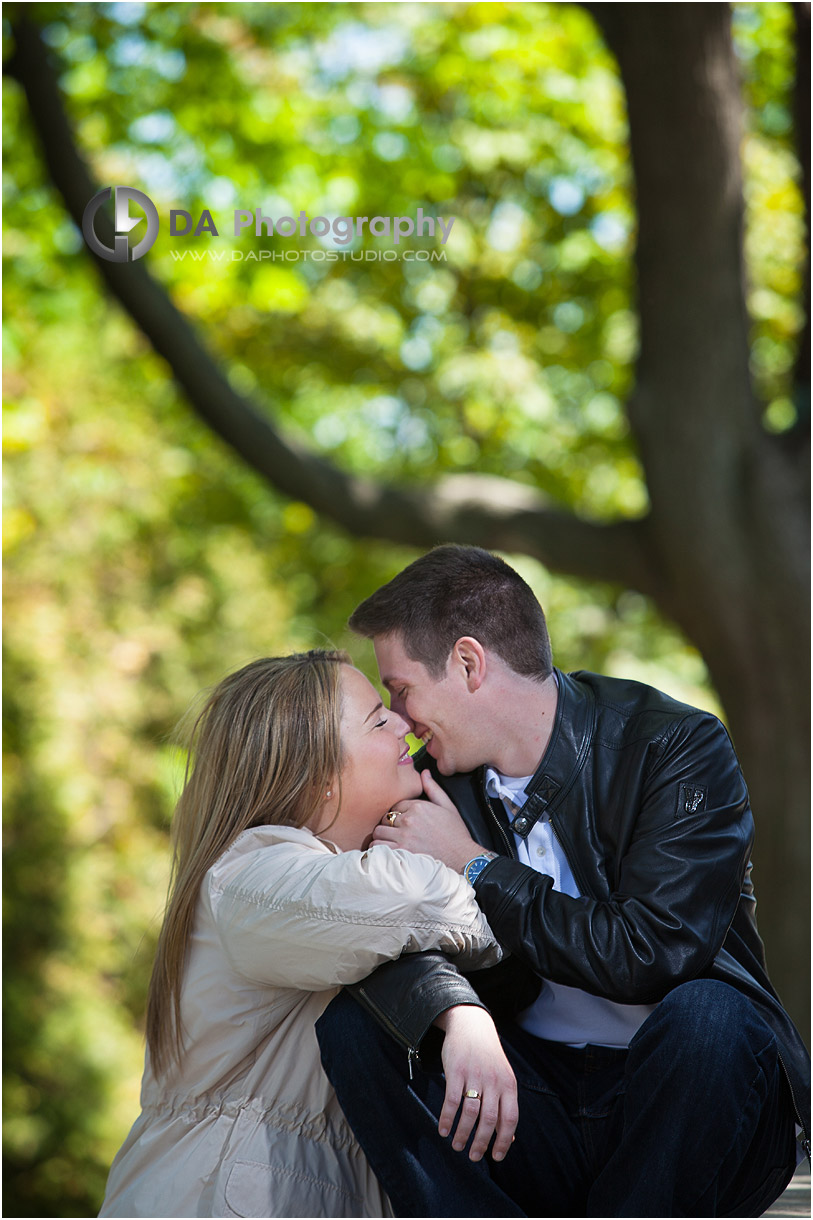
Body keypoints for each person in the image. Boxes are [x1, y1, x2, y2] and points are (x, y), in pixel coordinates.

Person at [316, 545, 811, 1218]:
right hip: (526, 1102)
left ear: (467, 663)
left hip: (686, 1101)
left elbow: (652, 952)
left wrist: (475, 865)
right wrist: (458, 1016)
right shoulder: (433, 789)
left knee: (710, 1017)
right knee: (360, 1026)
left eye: (400, 689)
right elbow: (376, 940)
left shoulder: (671, 746)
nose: (398, 721)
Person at [99, 650, 511, 1218]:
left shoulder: (310, 879)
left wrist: (458, 1010)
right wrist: (465, 859)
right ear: (316, 777)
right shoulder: (250, 881)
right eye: (375, 718)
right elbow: (411, 899)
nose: (401, 721)